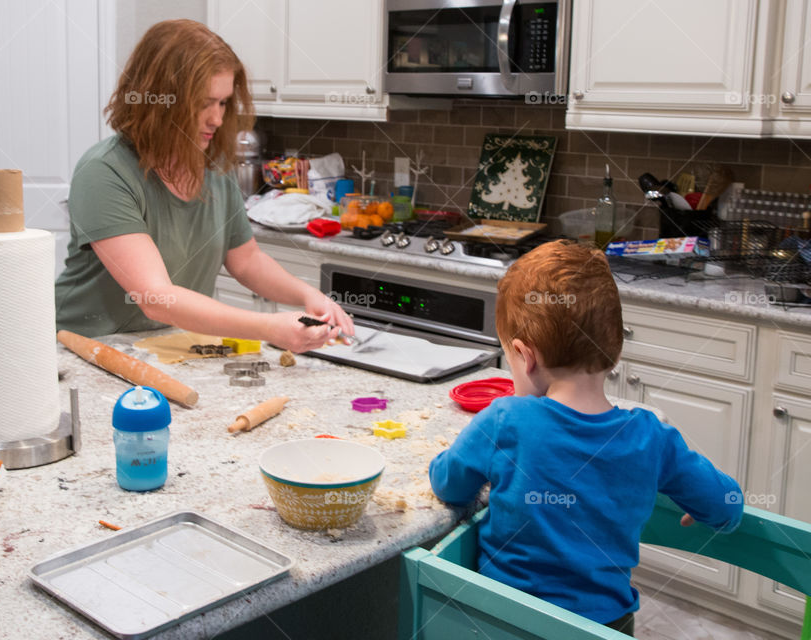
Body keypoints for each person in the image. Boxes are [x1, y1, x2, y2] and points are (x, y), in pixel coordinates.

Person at [428, 240, 743, 636]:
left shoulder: (507, 418)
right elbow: (727, 505)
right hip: (608, 626)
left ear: (526, 357)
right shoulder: (651, 435)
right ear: (613, 349)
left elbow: (448, 484)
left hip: (505, 621)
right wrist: (711, 509)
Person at [54, 19, 353, 350]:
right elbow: (156, 298)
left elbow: (246, 260)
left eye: (223, 102)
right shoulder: (105, 172)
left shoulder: (212, 166)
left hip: (168, 346)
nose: (217, 119)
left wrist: (308, 295)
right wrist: (269, 327)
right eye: (203, 103)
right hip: (88, 349)